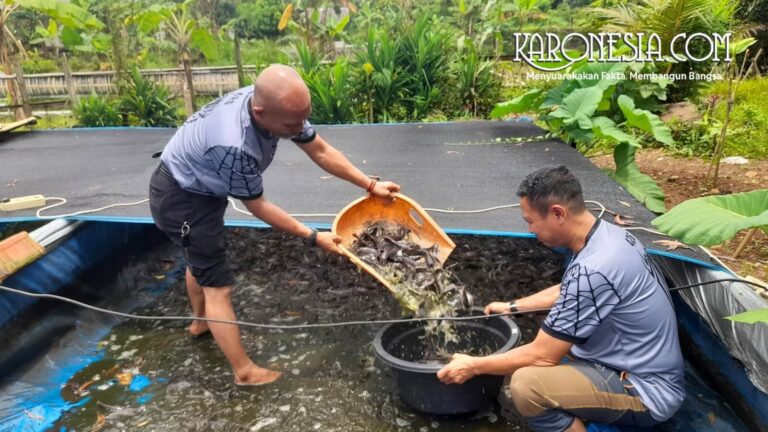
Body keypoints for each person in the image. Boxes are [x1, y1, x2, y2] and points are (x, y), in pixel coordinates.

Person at [149, 64, 400, 386]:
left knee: (198, 258)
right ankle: (244, 372)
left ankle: (201, 323)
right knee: (218, 286)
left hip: (203, 185)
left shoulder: (275, 104)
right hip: (182, 197)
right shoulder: (233, 145)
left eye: (302, 119)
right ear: (260, 112)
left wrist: (369, 185)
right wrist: (312, 236)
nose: (299, 129)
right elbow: (258, 206)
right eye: (291, 124)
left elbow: (320, 149)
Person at [437, 165, 684, 431]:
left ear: (557, 213)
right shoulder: (608, 237)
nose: (530, 230)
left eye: (530, 221)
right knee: (542, 351)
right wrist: (511, 306)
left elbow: (542, 356)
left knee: (527, 385)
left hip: (646, 391)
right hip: (634, 365)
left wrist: (473, 366)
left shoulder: (595, 268)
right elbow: (568, 290)